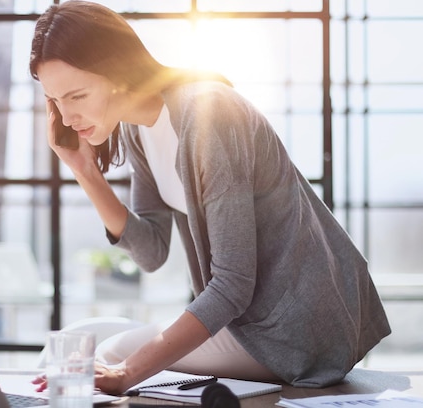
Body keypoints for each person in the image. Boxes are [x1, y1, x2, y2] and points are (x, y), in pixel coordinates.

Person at [29, 0, 391, 395]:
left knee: (109, 356)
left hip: (297, 327)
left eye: (77, 96)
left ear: (116, 70)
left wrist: (128, 374)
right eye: (55, 100)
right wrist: (85, 171)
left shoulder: (209, 113)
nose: (65, 118)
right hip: (247, 322)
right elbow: (152, 252)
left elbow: (233, 284)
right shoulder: (138, 130)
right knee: (88, 349)